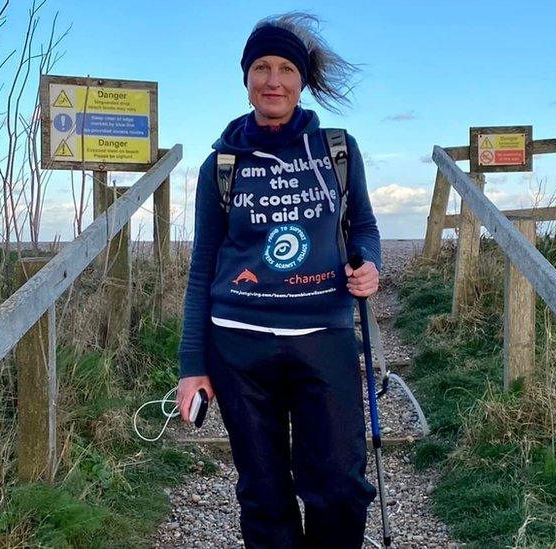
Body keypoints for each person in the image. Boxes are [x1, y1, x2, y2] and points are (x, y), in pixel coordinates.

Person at [176, 12, 382, 548]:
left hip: (324, 339)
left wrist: (371, 265)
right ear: (245, 79)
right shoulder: (220, 166)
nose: (274, 80)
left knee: (340, 485)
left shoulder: (337, 152)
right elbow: (203, 266)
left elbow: (363, 226)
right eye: (261, 67)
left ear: (302, 80)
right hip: (238, 345)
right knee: (264, 494)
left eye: (286, 68)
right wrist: (192, 366)